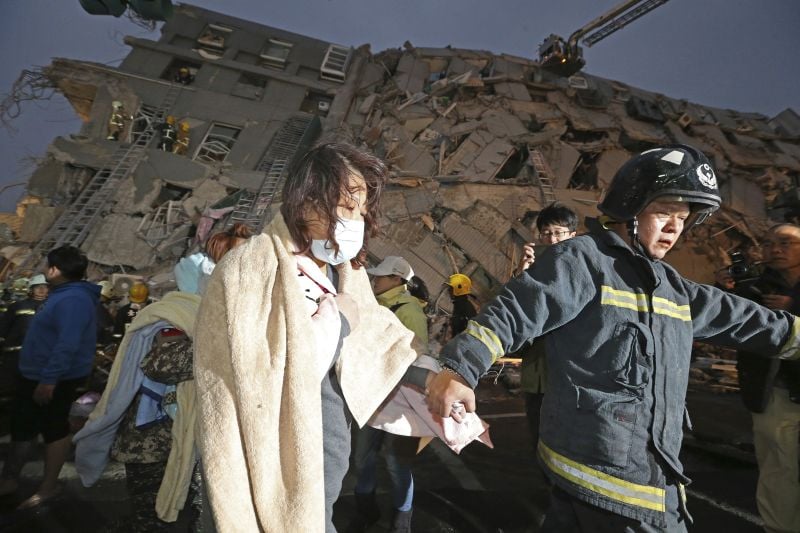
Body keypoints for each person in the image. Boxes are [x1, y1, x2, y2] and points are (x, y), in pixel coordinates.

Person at [426, 144, 800, 532]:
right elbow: (514, 312)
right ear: (630, 208)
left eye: (683, 218)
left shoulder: (672, 288)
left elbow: (746, 319)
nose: (675, 228)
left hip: (603, 480)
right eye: (664, 212)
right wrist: (459, 369)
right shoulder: (582, 261)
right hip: (624, 487)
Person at [194, 142, 421, 532]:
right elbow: (262, 380)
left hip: (325, 468)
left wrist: (436, 379)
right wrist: (338, 321)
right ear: (306, 203)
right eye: (348, 208)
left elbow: (381, 340)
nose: (357, 222)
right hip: (272, 468)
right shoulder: (248, 272)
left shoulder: (343, 274)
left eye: (362, 212)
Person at [0, 246, 99, 509]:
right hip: (35, 374)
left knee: (54, 430)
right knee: (22, 426)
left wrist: (49, 380)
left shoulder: (73, 299)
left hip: (51, 378)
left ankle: (48, 487)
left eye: (47, 266)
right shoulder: (63, 294)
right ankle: (9, 480)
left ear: (55, 270)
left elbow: (67, 343)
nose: (44, 270)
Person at [718, 224, 800, 533]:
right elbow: (732, 325)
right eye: (769, 243)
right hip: (775, 393)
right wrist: (725, 293)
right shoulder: (754, 287)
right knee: (779, 470)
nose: (776, 249)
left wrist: (794, 308)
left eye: (786, 242)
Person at [349, 256, 429, 533]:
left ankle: (401, 521)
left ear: (398, 279)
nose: (375, 280)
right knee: (362, 457)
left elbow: (416, 355)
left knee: (396, 461)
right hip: (372, 394)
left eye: (381, 277)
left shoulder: (409, 311)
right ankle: (366, 510)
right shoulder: (375, 306)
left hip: (399, 398)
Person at [512, 203, 578, 448]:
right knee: (538, 441)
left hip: (569, 377)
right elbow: (513, 312)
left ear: (573, 235)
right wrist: (523, 272)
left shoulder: (585, 273)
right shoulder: (532, 272)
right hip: (536, 376)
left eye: (559, 233)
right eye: (546, 233)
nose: (552, 240)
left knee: (568, 444)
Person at [0, 274, 49, 397]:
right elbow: (3, 328)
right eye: (38, 287)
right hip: (14, 354)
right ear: (31, 289)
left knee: (28, 388)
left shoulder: (53, 307)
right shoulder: (17, 306)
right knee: (7, 385)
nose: (42, 290)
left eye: (45, 287)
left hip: (39, 355)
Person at [446, 273, 478, 337]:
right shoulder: (462, 303)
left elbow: (457, 328)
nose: (448, 291)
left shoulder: (461, 305)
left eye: (450, 289)